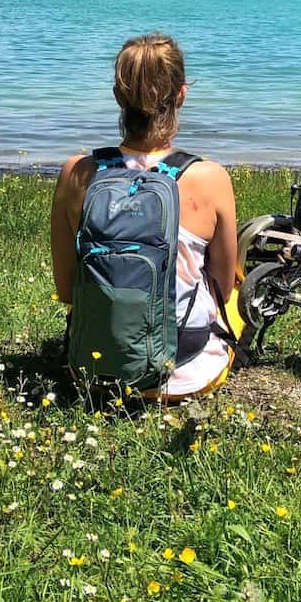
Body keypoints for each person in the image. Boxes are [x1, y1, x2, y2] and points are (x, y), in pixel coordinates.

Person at [50, 33, 238, 399]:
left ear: (118, 97)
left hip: (94, 368)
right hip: (187, 372)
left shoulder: (77, 173)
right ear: (181, 94)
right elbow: (222, 286)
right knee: (237, 288)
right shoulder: (210, 177)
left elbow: (66, 289)